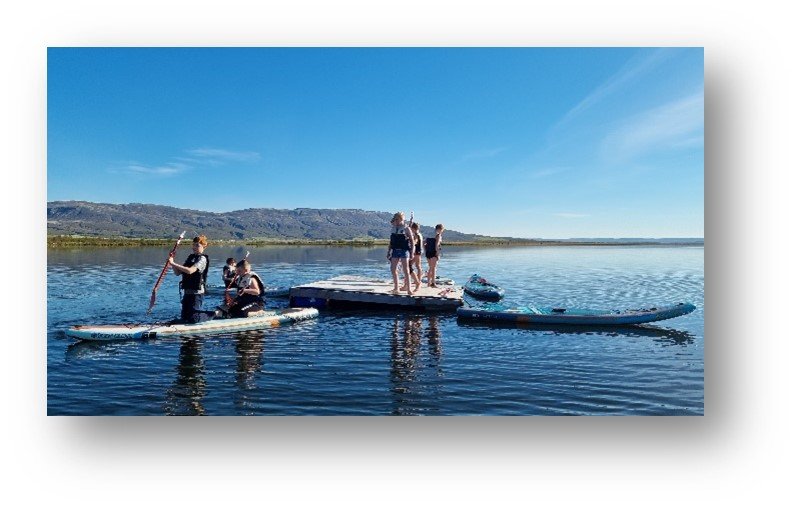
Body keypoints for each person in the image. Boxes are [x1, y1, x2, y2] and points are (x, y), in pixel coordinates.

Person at [169, 234, 215, 323]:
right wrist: (172, 261)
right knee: (184, 317)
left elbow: (190, 271)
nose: (194, 247)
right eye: (193, 245)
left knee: (194, 319)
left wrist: (173, 263)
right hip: (187, 292)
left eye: (197, 245)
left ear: (204, 246)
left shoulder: (202, 259)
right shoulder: (190, 257)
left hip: (197, 293)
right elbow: (177, 273)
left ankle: (212, 314)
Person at [386, 212, 416, 295]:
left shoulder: (407, 228)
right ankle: (396, 288)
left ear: (401, 219)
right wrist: (388, 251)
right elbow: (391, 242)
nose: (396, 221)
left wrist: (412, 252)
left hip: (404, 250)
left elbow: (412, 241)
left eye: (397, 219)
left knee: (406, 270)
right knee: (393, 269)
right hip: (395, 250)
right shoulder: (393, 228)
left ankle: (409, 289)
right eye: (395, 219)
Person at [407, 222, 422, 292]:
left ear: (413, 228)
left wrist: (410, 241)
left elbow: (415, 242)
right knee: (417, 267)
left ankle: (417, 282)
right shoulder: (419, 234)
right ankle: (417, 281)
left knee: (408, 267)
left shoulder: (416, 235)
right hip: (418, 252)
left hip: (416, 253)